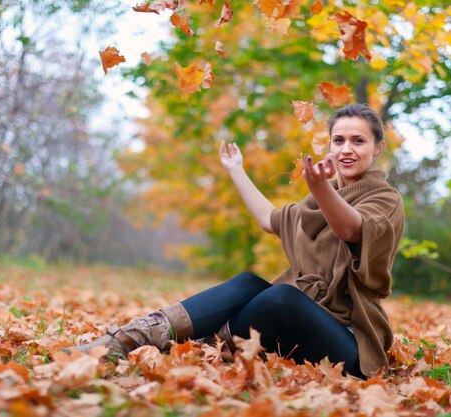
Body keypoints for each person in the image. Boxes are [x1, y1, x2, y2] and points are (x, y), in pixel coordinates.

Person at [66, 103, 405, 378]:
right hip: (298, 331)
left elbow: (352, 229)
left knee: (283, 297)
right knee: (249, 283)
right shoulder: (316, 202)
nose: (346, 148)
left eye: (358, 141)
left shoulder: (384, 199)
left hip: (349, 346)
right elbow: (268, 219)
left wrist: (320, 188)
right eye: (339, 140)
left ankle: (203, 344)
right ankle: (125, 341)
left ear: (377, 149)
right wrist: (236, 170)